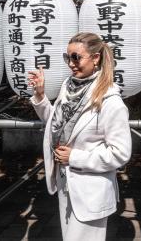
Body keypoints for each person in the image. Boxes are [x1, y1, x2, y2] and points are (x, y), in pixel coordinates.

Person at [27, 32, 131, 241]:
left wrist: (74, 158)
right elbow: (58, 124)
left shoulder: (111, 102)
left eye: (76, 57)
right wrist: (40, 96)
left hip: (90, 190)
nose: (71, 64)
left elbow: (120, 153)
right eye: (68, 57)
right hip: (67, 183)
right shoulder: (70, 86)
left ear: (95, 58)